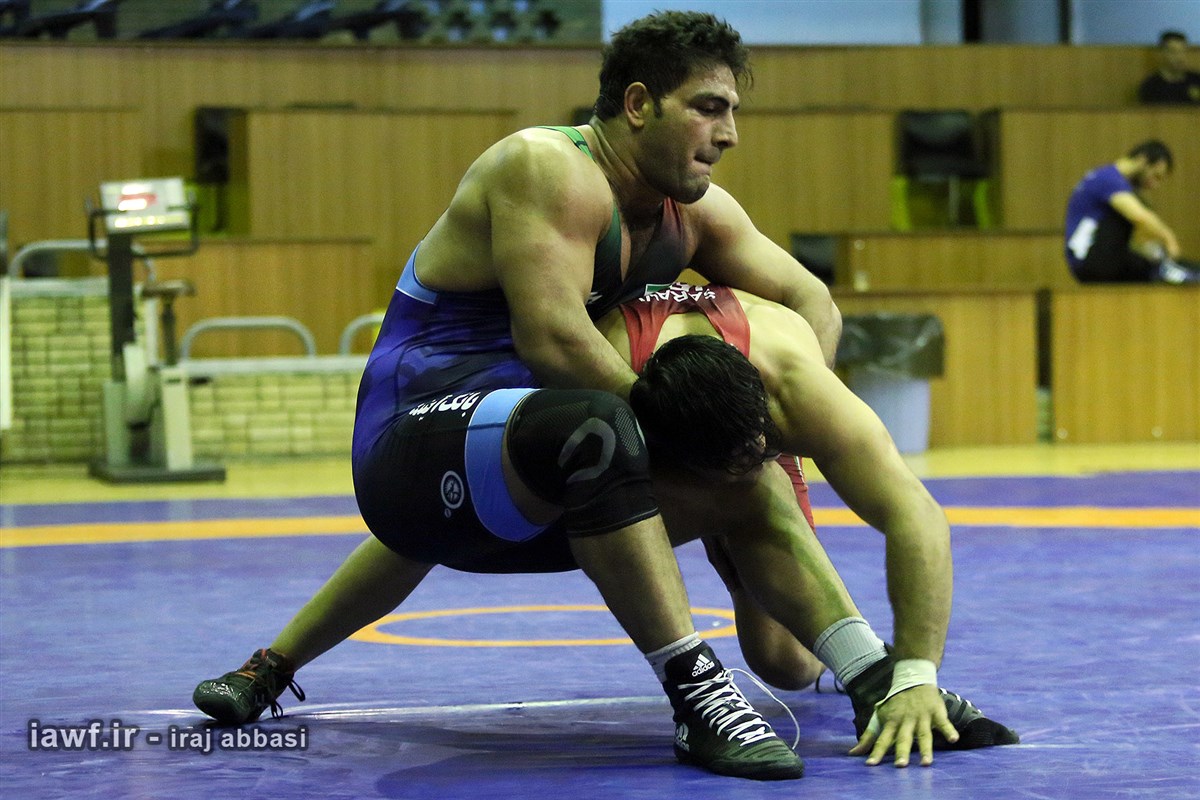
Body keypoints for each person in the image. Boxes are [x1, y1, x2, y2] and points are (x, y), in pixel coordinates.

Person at [191, 9, 985, 778]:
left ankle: (876, 678)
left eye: (733, 112)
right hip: (415, 429)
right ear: (638, 104)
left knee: (742, 474)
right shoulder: (546, 168)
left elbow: (811, 296)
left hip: (520, 462)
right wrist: (686, 428)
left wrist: (771, 424)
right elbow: (553, 342)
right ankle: (697, 692)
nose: (730, 134)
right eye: (708, 108)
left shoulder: (692, 213)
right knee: (595, 429)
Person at [601, 282, 1019, 766]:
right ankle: (699, 684)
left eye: (757, 447)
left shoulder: (799, 389)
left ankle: (866, 665)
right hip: (659, 410)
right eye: (735, 461)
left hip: (748, 397)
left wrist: (916, 674)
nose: (752, 459)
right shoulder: (610, 380)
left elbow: (916, 514)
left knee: (787, 662)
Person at [1063, 140, 1198, 284]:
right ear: (1142, 160)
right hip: (1091, 260)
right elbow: (1140, 217)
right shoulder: (1108, 179)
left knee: (1150, 263)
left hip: (1093, 259)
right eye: (1155, 176)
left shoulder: (1105, 178)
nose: (1154, 185)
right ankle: (1166, 271)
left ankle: (1167, 270)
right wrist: (1169, 238)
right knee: (1134, 212)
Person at [1138, 30, 1200, 105]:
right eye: (1173, 52)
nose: (1180, 57)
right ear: (1161, 53)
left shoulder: (1196, 80)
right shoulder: (1151, 86)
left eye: (1183, 51)